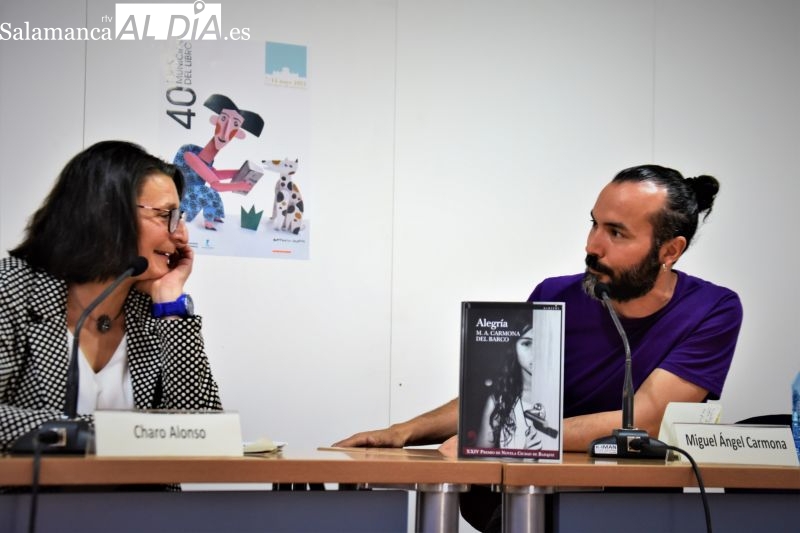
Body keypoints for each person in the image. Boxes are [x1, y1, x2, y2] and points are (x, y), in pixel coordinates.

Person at [333, 164, 743, 532]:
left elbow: (650, 422)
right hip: (530, 497)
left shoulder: (713, 309)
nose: (592, 245)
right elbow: (498, 395)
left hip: (631, 507)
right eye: (594, 224)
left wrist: (501, 440)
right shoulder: (554, 294)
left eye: (616, 232)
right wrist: (403, 432)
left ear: (670, 250)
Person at [0, 140, 222, 453]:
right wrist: (107, 435)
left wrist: (171, 307)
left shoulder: (152, 308)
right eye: (166, 216)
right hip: (33, 502)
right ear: (105, 214)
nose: (182, 235)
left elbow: (205, 430)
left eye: (180, 217)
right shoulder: (14, 288)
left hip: (144, 503)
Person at [173, 93, 265, 231]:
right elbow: (216, 185)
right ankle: (208, 220)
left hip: (191, 196)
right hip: (179, 204)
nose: (225, 131)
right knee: (208, 191)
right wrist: (240, 185)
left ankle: (213, 216)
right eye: (223, 119)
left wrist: (240, 172)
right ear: (215, 121)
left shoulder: (205, 159)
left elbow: (213, 174)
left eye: (234, 125)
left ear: (238, 134)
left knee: (206, 191)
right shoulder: (189, 154)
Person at [475, 320, 557, 451]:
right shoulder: (498, 401)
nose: (535, 352)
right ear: (514, 349)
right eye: (527, 343)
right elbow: (481, 458)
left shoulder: (560, 399)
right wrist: (522, 457)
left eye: (542, 343)